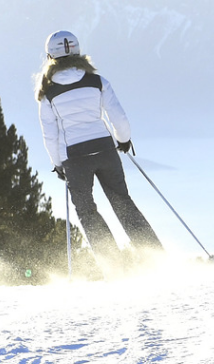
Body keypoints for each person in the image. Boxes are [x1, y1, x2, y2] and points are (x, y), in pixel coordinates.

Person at [34, 30, 162, 263]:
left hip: (74, 157)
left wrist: (58, 164)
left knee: (87, 212)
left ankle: (116, 266)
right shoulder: (97, 82)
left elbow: (49, 134)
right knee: (123, 203)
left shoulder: (47, 93)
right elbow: (119, 118)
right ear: (78, 51)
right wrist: (123, 140)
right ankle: (154, 257)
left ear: (50, 56)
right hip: (105, 150)